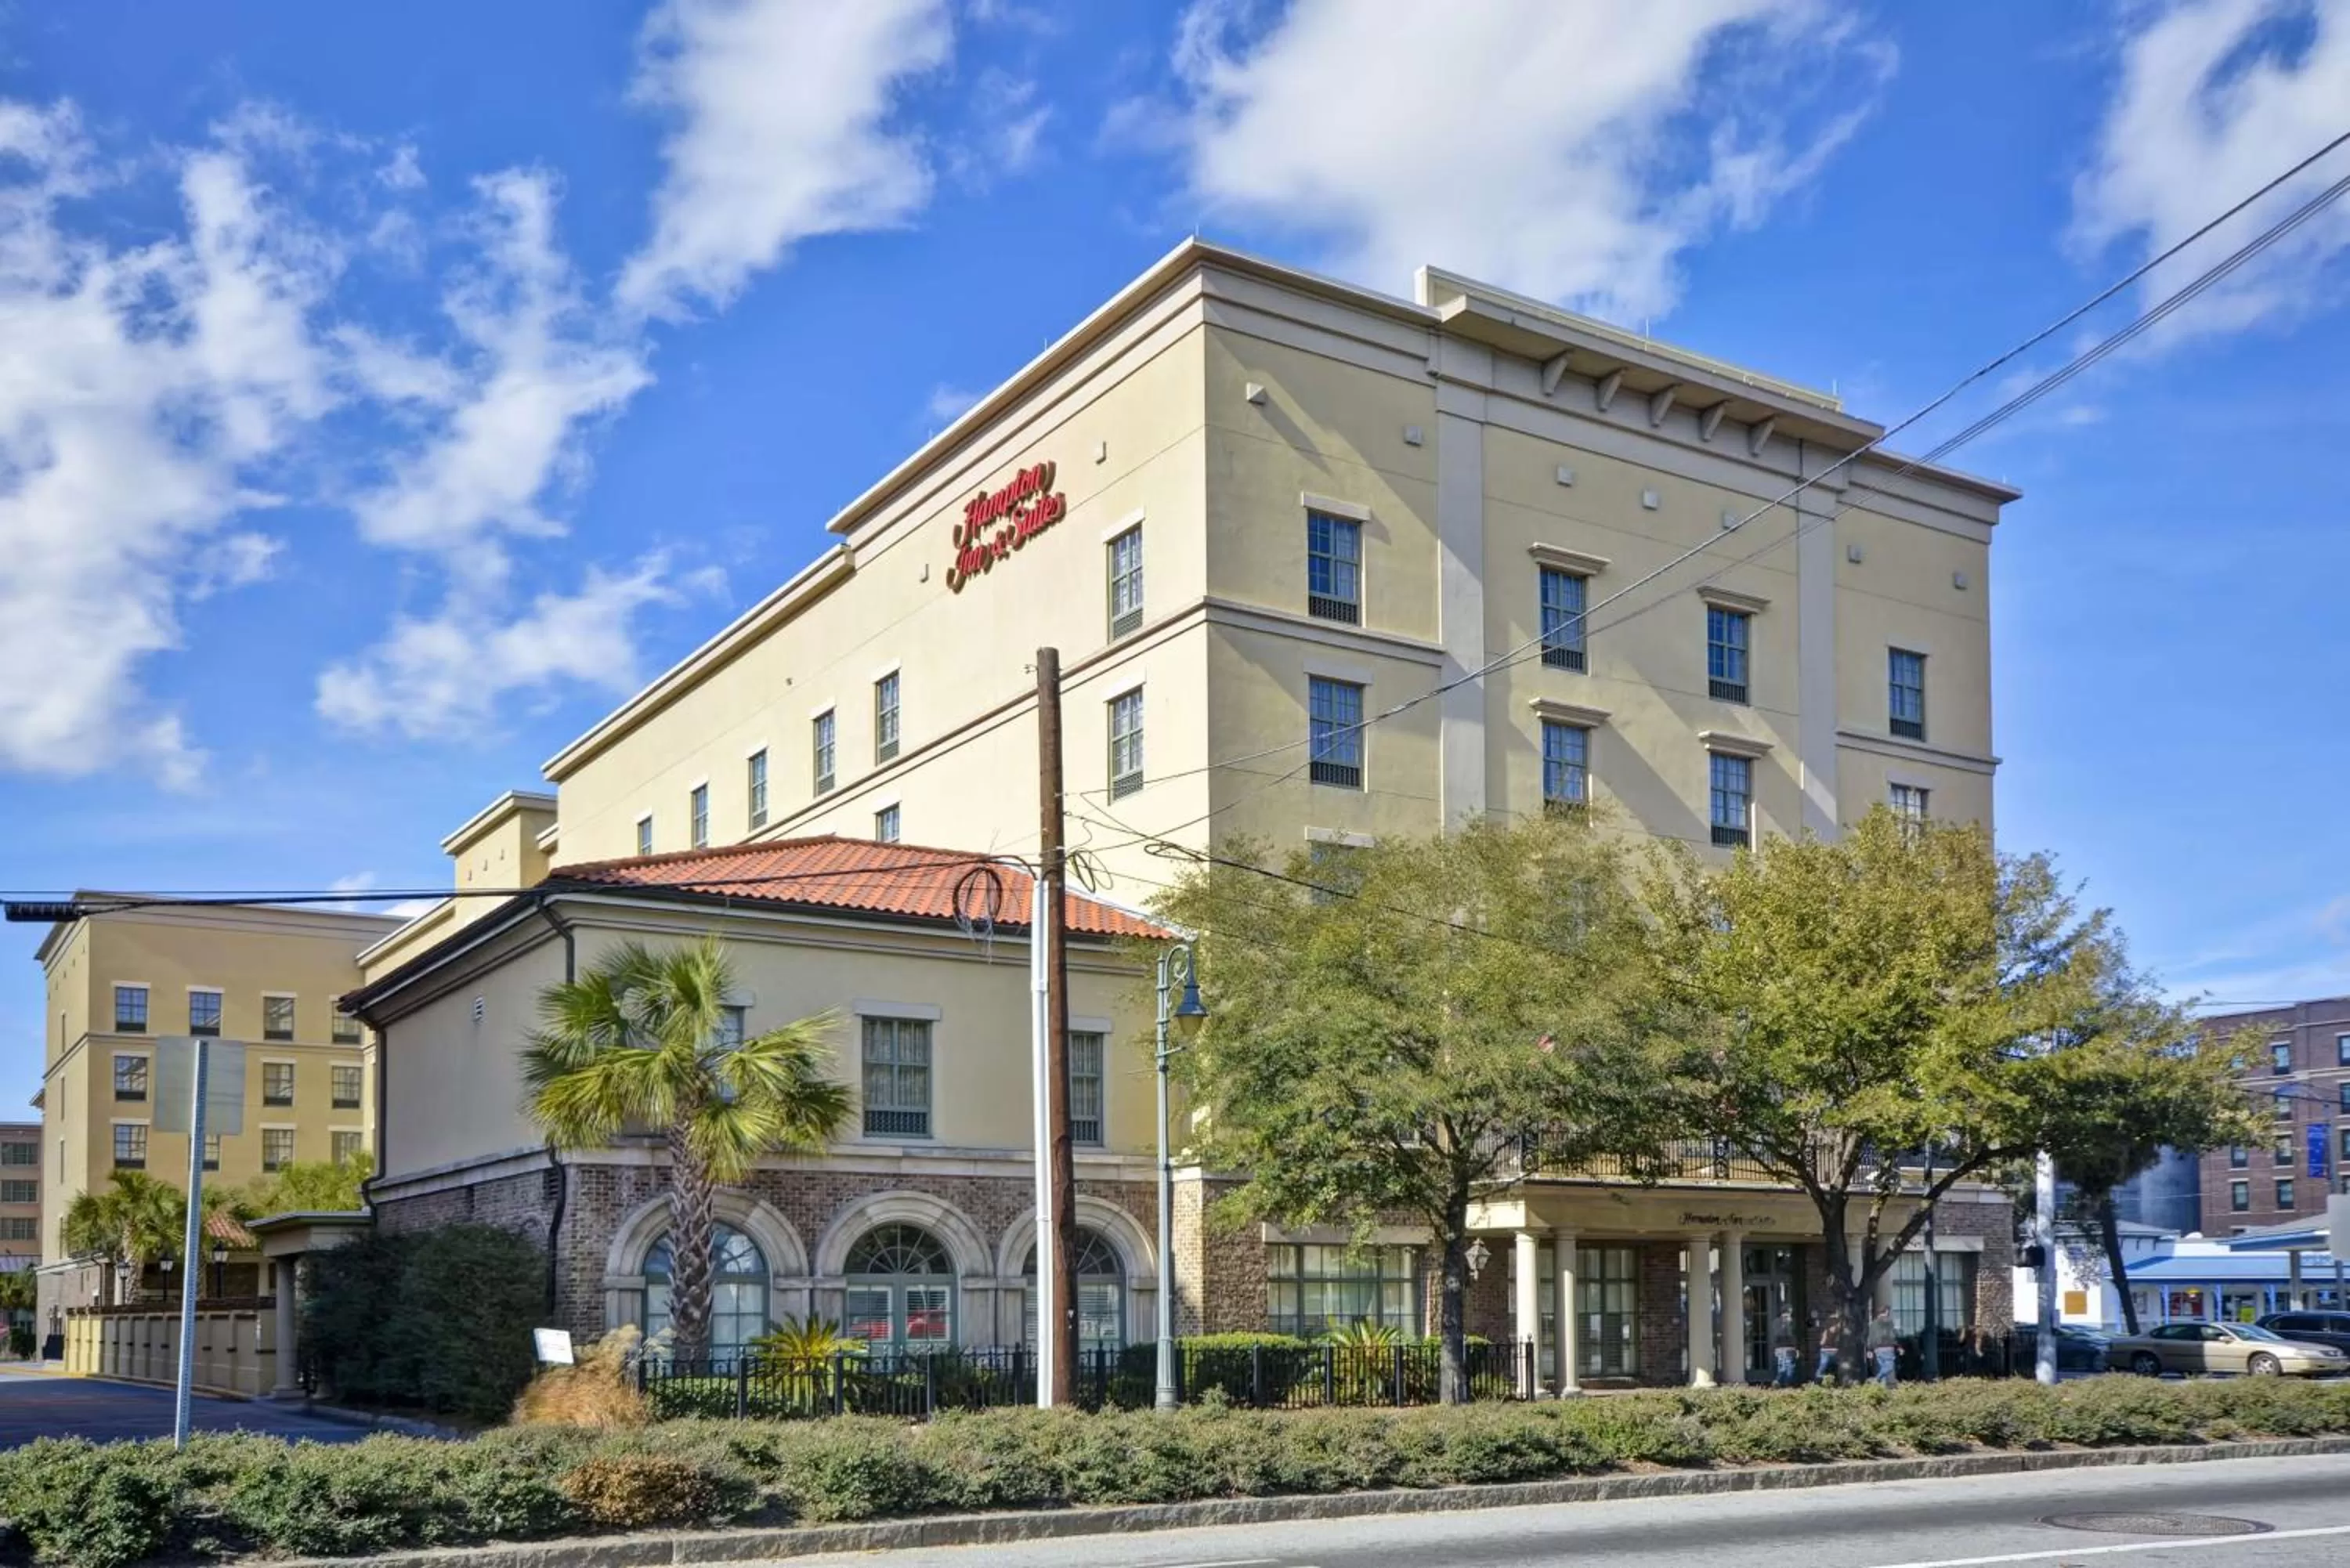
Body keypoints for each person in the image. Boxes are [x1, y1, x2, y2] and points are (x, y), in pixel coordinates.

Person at [1866, 1304, 1900, 1389]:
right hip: (1887, 1347)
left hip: (1877, 1349)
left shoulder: (1873, 1323)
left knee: (1883, 1368)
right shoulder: (1889, 1322)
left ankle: (1883, 1389)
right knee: (1889, 1367)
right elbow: (1892, 1335)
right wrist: (1897, 1345)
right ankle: (1876, 1379)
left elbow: (1870, 1337)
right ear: (1886, 1311)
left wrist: (1869, 1350)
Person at [1770, 1307, 1798, 1387]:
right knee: (1786, 1367)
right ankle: (1782, 1383)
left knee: (1786, 1367)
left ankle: (1781, 1384)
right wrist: (1786, 1324)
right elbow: (1780, 1335)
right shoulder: (1778, 1322)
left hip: (1787, 1348)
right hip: (1783, 1348)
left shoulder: (1790, 1322)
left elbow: (1793, 1335)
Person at [1815, 1312, 1842, 1385]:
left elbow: (1822, 1343)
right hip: (1828, 1351)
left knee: (1825, 1367)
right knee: (1825, 1367)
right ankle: (1819, 1380)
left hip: (1831, 1351)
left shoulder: (1835, 1331)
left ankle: (1820, 1380)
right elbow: (1822, 1343)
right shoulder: (1828, 1331)